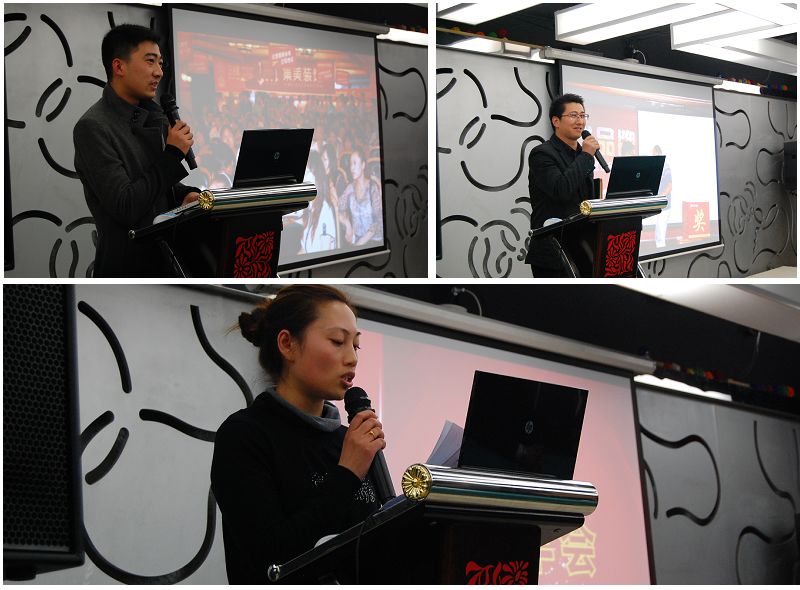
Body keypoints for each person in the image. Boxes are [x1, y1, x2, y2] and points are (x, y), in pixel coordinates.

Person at [211, 285, 384, 584]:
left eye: (355, 346)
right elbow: (272, 556)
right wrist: (347, 473)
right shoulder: (244, 436)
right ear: (287, 344)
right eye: (337, 341)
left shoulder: (351, 440)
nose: (352, 358)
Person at [73, 24, 200, 277]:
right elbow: (126, 205)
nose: (159, 72)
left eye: (160, 63)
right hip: (127, 268)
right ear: (119, 67)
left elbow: (155, 186)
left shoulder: (153, 116)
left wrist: (185, 195)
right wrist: (173, 155)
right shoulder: (93, 127)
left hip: (168, 260)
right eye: (150, 61)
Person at [526, 93, 599, 278]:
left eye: (582, 115)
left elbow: (584, 201)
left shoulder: (583, 155)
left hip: (582, 247)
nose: (580, 121)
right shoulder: (542, 154)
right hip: (553, 251)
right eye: (573, 115)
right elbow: (561, 190)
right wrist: (586, 156)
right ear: (556, 121)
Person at [338, 149, 383, 246]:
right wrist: (347, 224)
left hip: (374, 240)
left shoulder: (372, 187)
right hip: (357, 238)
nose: (352, 168)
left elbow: (377, 223)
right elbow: (339, 209)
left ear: (363, 165)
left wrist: (358, 244)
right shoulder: (350, 188)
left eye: (355, 163)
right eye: (351, 164)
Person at [651, 145, 673, 248]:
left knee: (660, 231)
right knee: (658, 231)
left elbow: (670, 186)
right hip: (659, 204)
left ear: (659, 153)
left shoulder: (666, 167)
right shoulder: (656, 167)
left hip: (665, 204)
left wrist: (660, 197)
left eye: (655, 154)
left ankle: (661, 250)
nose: (653, 156)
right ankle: (659, 248)